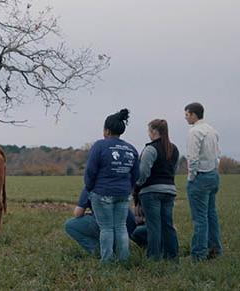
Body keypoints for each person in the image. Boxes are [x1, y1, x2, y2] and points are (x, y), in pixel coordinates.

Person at [84, 108, 139, 262]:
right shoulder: (131, 149)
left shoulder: (100, 146)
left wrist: (90, 187)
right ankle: (123, 259)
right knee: (121, 227)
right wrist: (128, 187)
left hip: (102, 193)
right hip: (123, 194)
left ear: (106, 130)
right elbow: (136, 174)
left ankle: (107, 261)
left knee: (106, 228)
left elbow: (90, 171)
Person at [133, 119, 179, 260]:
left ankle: (154, 257)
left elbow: (143, 173)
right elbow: (174, 170)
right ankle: (172, 256)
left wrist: (136, 187)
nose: (148, 133)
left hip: (151, 192)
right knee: (168, 225)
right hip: (169, 190)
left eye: (149, 130)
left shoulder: (150, 149)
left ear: (153, 131)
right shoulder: (174, 149)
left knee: (154, 226)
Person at [184, 102, 222, 261]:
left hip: (200, 176)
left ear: (193, 115)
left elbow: (192, 158)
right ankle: (215, 249)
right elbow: (218, 154)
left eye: (186, 114)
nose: (185, 117)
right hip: (213, 175)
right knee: (211, 214)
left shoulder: (194, 132)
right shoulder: (213, 131)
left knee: (200, 218)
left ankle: (198, 254)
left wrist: (191, 177)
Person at [65, 188, 147, 255]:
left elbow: (78, 213)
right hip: (128, 225)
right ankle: (122, 251)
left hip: (107, 225)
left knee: (70, 225)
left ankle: (98, 251)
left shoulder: (91, 187)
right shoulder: (121, 184)